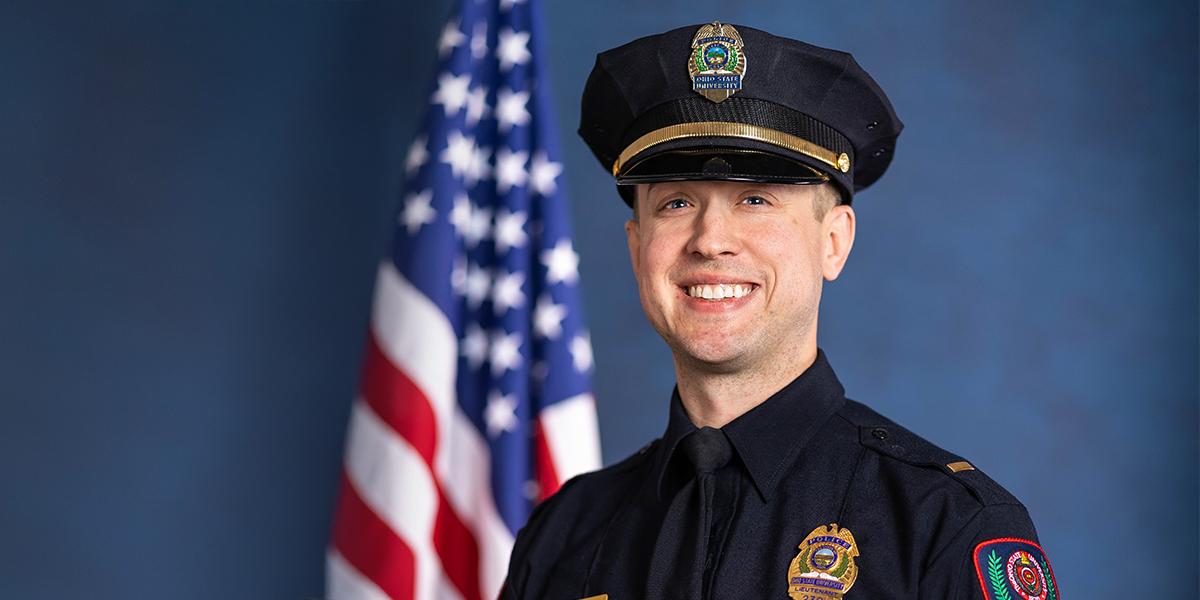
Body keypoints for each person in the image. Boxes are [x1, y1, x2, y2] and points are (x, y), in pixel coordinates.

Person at [503, 22, 1057, 600]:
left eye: (756, 199)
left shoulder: (943, 526)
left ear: (833, 242)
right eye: (677, 202)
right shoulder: (563, 536)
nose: (711, 240)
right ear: (638, 248)